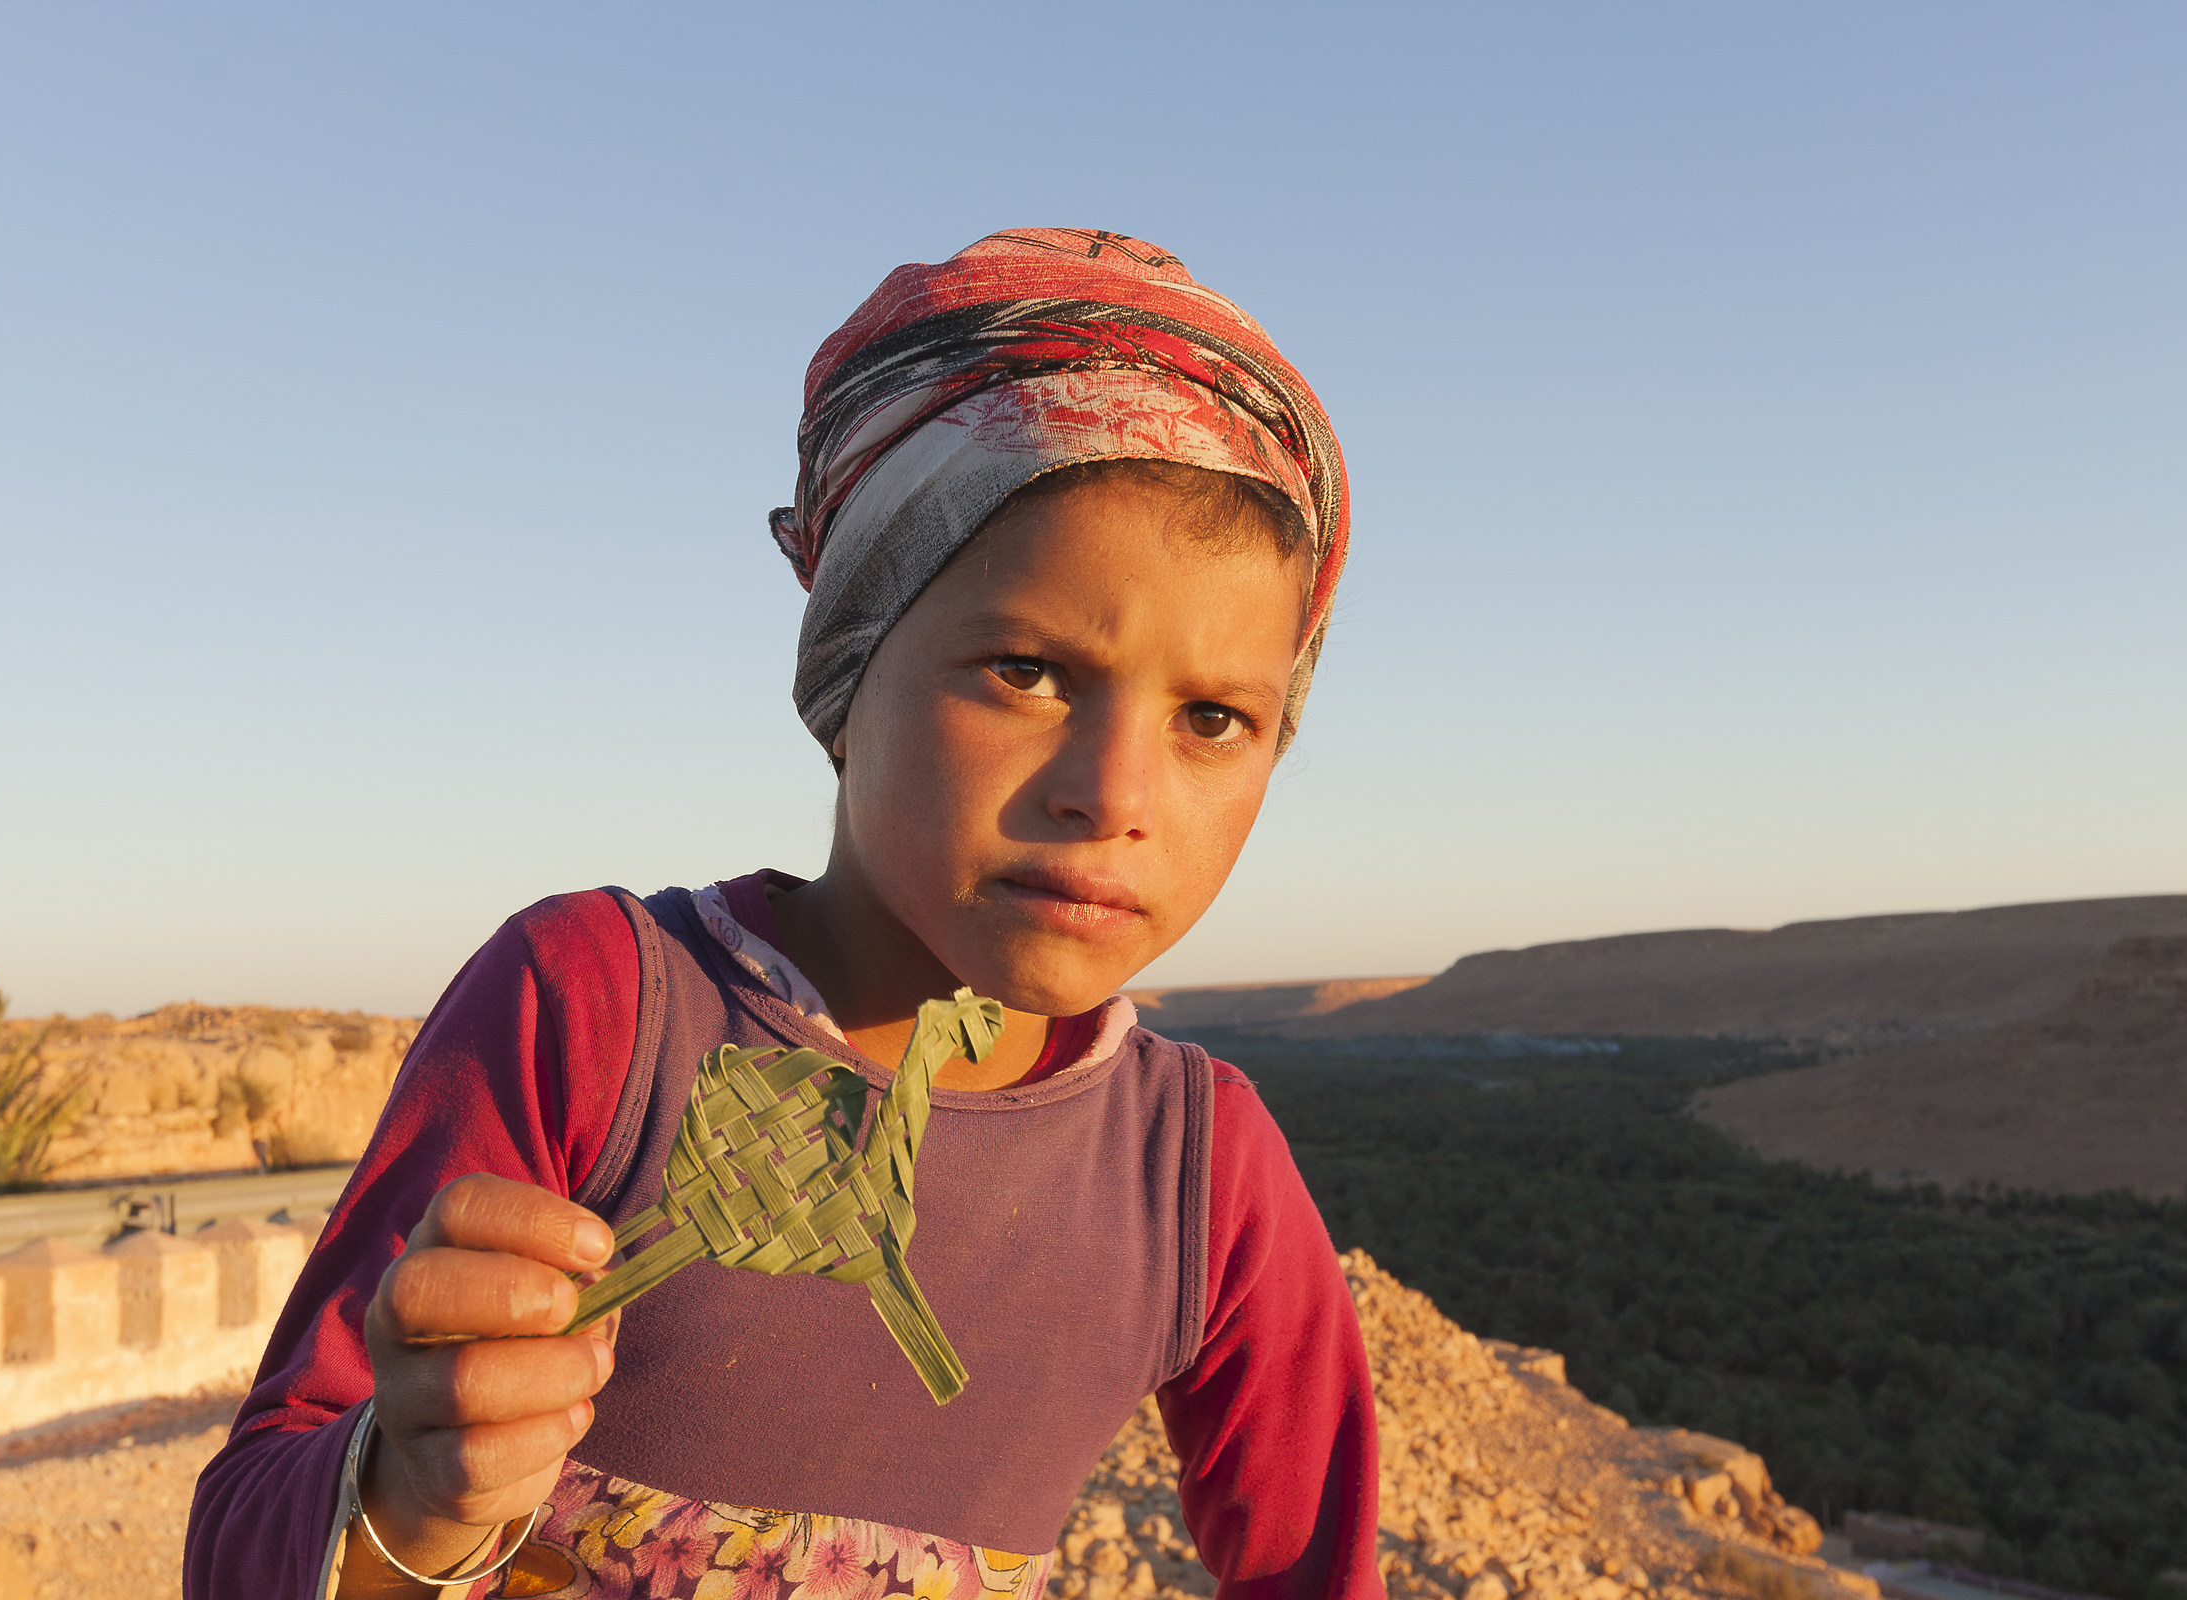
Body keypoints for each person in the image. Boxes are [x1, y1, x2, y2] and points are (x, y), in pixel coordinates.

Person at [184, 227, 1381, 1600]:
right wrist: (416, 1491)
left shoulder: (1199, 1174)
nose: (1115, 797)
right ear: (850, 657)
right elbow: (248, 1543)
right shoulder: (596, 1010)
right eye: (1029, 672)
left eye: (1216, 718)